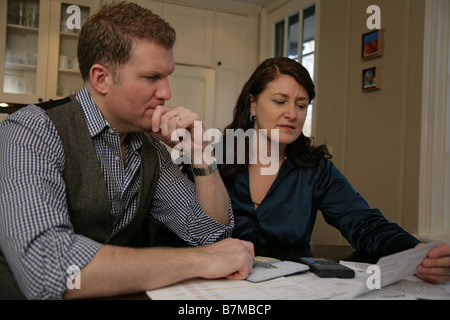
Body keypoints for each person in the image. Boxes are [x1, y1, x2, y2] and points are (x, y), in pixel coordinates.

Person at [0, 2, 254, 300]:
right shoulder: (29, 131)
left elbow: (211, 233)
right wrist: (199, 260)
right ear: (101, 78)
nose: (166, 93)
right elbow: (48, 269)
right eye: (151, 77)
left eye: (167, 76)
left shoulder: (149, 149)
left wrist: (200, 155)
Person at [219, 57, 450, 285]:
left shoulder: (315, 169)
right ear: (252, 104)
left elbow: (365, 224)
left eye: (301, 105)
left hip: (287, 290)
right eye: (280, 101)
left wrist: (418, 253)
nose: (292, 114)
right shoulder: (213, 162)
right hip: (215, 287)